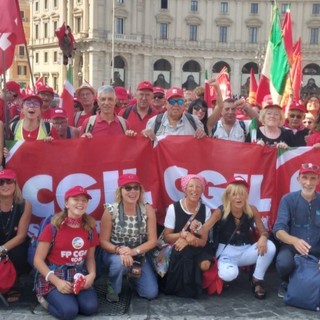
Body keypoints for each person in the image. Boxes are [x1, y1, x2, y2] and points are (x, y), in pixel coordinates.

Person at [201, 176, 276, 299]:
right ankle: (226, 273)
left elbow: (264, 232)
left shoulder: (252, 209)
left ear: (246, 195)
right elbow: (205, 228)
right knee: (229, 275)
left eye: (242, 194)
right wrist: (196, 232)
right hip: (226, 252)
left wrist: (263, 237)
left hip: (245, 251)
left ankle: (257, 280)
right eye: (234, 194)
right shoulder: (221, 211)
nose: (238, 197)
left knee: (270, 246)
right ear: (228, 196)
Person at [33, 186, 99, 320]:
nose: (80, 203)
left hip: (79, 275)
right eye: (76, 199)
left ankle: (70, 299)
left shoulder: (90, 228)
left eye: (84, 200)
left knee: (90, 308)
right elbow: (38, 260)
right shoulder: (52, 228)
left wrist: (92, 275)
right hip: (55, 276)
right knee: (69, 312)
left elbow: (90, 258)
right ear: (66, 203)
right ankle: (42, 299)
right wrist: (57, 282)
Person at [100, 173, 158, 302]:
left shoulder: (147, 209)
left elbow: (153, 241)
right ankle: (113, 287)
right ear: (120, 190)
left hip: (138, 253)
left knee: (150, 293)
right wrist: (120, 250)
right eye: (128, 188)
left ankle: (131, 277)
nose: (132, 191)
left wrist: (134, 252)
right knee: (118, 263)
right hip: (115, 252)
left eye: (136, 187)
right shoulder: (110, 210)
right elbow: (103, 241)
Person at [273, 163, 320, 298]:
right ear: (298, 179)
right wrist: (294, 241)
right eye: (304, 178)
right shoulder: (288, 199)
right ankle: (286, 281)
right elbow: (278, 230)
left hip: (317, 251)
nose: (308, 183)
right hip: (293, 250)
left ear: (318, 180)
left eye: (312, 178)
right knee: (283, 263)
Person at [162, 174, 212, 298]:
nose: (194, 190)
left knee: (205, 264)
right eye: (191, 186)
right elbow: (167, 237)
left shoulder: (206, 210)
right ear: (185, 189)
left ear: (202, 190)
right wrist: (183, 235)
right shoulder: (173, 208)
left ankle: (194, 284)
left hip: (197, 247)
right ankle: (182, 288)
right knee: (183, 251)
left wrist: (191, 240)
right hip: (177, 245)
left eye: (198, 187)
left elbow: (204, 242)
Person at [0, 169, 32, 303]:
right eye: (1, 182)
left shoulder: (24, 204)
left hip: (14, 244)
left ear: (15, 184)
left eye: (9, 181)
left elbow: (21, 236)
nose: (5, 185)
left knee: (18, 253)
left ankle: (13, 285)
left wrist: (2, 249)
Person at [141, 87, 206, 140]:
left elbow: (203, 145)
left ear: (184, 103)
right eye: (171, 101)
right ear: (165, 103)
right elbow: (147, 146)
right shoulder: (154, 122)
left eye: (180, 101)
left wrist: (203, 135)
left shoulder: (194, 121)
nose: (176, 105)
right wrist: (144, 135)